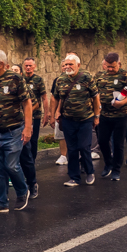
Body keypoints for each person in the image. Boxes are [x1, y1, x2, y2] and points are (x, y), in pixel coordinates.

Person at [0, 48, 33, 211]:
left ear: (2, 64)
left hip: (13, 131)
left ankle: (22, 191)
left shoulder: (15, 78)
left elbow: (26, 103)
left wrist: (28, 127)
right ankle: (1, 202)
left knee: (11, 166)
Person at [46, 54, 99, 187]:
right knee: (72, 148)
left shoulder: (87, 77)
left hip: (85, 119)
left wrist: (96, 116)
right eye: (66, 64)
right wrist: (54, 114)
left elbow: (95, 98)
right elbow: (57, 98)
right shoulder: (60, 80)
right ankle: (74, 177)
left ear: (78, 66)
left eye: (71, 64)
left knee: (84, 146)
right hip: (68, 120)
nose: (68, 67)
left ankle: (89, 172)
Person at [92, 51, 127, 181]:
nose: (110, 69)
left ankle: (116, 170)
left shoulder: (126, 75)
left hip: (121, 115)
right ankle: (108, 163)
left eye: (113, 66)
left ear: (119, 63)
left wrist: (123, 102)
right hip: (104, 115)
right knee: (102, 141)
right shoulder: (99, 76)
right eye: (108, 66)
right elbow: (94, 92)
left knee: (118, 143)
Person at [19, 57, 48, 199]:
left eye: (30, 66)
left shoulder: (38, 80)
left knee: (32, 143)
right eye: (26, 66)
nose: (28, 68)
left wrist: (47, 114)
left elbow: (43, 98)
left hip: (33, 117)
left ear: (34, 66)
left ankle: (31, 173)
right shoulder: (20, 79)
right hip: (16, 121)